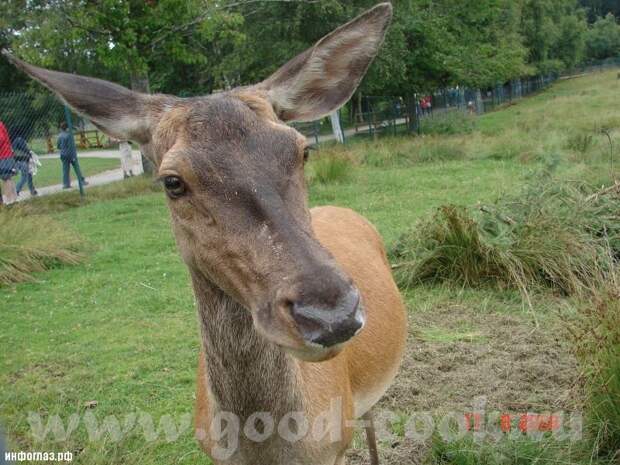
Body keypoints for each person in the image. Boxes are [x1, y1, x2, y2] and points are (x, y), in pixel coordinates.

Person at [57, 121, 88, 189]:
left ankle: (66, 184)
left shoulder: (59, 135)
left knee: (65, 170)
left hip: (63, 154)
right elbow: (71, 146)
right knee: (77, 168)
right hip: (71, 154)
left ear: (61, 128)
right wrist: (73, 156)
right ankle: (82, 181)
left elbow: (58, 146)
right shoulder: (69, 135)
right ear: (67, 128)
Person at [11, 129, 38, 196]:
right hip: (23, 160)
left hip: (19, 160)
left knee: (29, 175)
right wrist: (29, 152)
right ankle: (16, 190)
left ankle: (32, 190)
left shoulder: (14, 140)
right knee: (25, 177)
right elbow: (24, 149)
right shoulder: (20, 140)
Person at [0, 120, 18, 205]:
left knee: (5, 178)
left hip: (4, 155)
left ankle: (9, 201)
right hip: (6, 154)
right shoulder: (1, 124)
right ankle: (14, 200)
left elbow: (1, 139)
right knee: (8, 177)